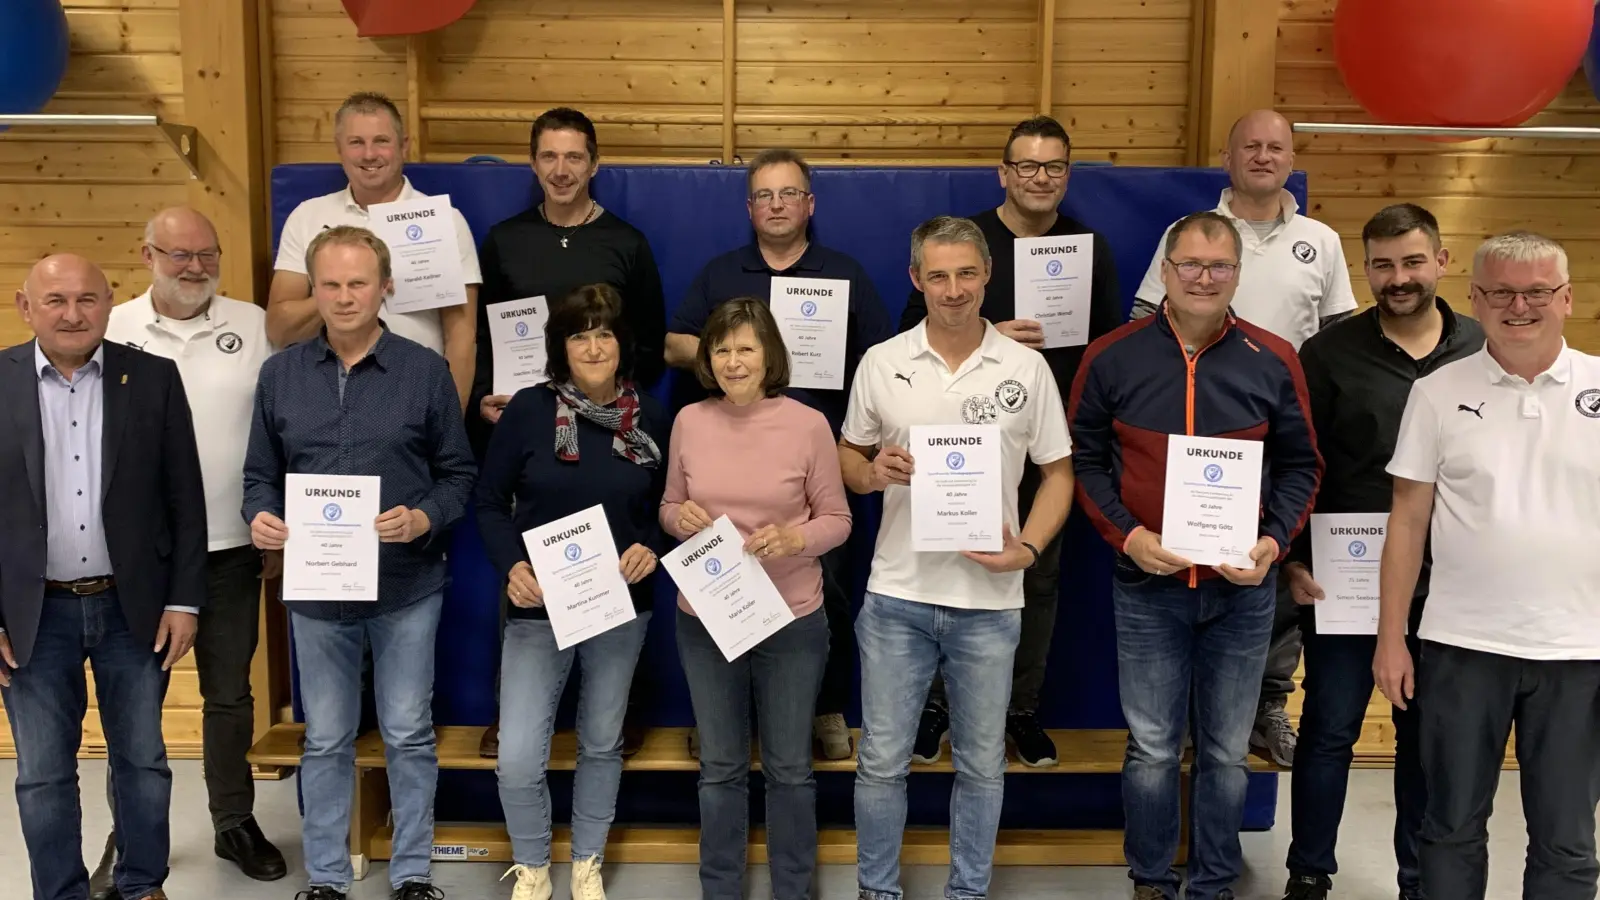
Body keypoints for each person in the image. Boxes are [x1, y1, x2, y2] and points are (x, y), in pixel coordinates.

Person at [1070, 211, 1321, 900]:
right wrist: (1129, 536)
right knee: (1152, 749)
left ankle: (1212, 883)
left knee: (1222, 752)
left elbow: (1302, 464)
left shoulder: (1273, 357)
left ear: (1237, 274)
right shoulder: (1113, 356)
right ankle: (1151, 879)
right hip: (1146, 583)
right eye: (1190, 265)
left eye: (1219, 266)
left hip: (1242, 593)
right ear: (1167, 271)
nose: (1204, 278)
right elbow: (1085, 462)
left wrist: (1273, 544)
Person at [841, 216, 1075, 900]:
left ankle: (967, 892)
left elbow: (1059, 472)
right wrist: (873, 471)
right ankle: (877, 892)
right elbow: (847, 460)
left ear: (987, 277)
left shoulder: (1026, 368)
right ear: (916, 280)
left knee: (980, 767)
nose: (953, 289)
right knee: (882, 763)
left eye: (966, 273)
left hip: (989, 604)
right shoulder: (882, 362)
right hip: (897, 599)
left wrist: (1027, 548)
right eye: (937, 275)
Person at [244, 226, 476, 900]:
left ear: (386, 288)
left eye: (359, 283)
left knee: (407, 732)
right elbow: (259, 477)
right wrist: (259, 517)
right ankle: (324, 877)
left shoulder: (423, 371)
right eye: (331, 284)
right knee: (325, 739)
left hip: (407, 585)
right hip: (317, 594)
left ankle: (410, 874)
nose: (345, 297)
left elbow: (458, 476)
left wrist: (423, 516)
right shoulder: (279, 374)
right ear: (312, 289)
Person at [1376, 231, 1600, 900]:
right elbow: (1407, 521)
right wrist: (1392, 638)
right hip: (1462, 647)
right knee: (1449, 827)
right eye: (1500, 291)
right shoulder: (1439, 392)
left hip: (1580, 650)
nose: (1518, 306)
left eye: (1536, 291)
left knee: (1567, 838)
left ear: (1566, 298)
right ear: (1473, 298)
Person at [1132, 109, 1357, 768]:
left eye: (1275, 147)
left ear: (1291, 157)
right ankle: (1195, 716)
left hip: (1280, 434)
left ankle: (1267, 704)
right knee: (1188, 577)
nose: (1262, 156)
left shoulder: (1322, 239)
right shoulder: (1191, 234)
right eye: (1250, 146)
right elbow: (1145, 319)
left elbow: (1337, 340)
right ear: (1227, 157)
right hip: (1197, 437)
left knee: (1277, 565)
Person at [898, 116, 1120, 768]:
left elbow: (1107, 348)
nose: (1040, 177)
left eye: (1053, 166)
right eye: (1027, 165)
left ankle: (1019, 711)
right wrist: (989, 330)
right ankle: (938, 708)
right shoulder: (964, 240)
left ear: (1067, 175)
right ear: (1004, 173)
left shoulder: (1089, 247)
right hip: (962, 443)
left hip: (1045, 447)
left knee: (1037, 580)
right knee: (951, 573)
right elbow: (913, 326)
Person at [1278, 204, 1481, 900]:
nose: (1399, 278)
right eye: (1385, 264)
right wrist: (1295, 558)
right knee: (1329, 728)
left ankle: (1417, 881)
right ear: (1366, 270)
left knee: (1423, 737)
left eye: (1413, 262)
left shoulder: (1481, 349)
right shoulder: (1328, 353)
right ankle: (1308, 870)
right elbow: (1300, 461)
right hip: (1346, 576)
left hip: (1449, 584)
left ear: (1441, 262)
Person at [663, 147, 892, 760]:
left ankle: (821, 708)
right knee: (719, 585)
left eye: (788, 193)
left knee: (827, 592)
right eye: (764, 195)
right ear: (749, 208)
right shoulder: (721, 272)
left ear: (810, 204)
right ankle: (723, 720)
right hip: (731, 440)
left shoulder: (843, 272)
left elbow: (881, 355)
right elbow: (674, 343)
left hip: (817, 453)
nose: (776, 205)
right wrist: (734, 353)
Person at [1, 253, 207, 900]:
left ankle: (143, 885)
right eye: (55, 300)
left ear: (111, 302)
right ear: (24, 305)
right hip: (29, 616)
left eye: (87, 299)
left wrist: (184, 600)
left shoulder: (151, 378)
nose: (72, 313)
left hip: (133, 607)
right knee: (41, 773)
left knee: (143, 761)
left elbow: (186, 499)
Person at [92, 207, 286, 888]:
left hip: (234, 547)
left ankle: (234, 820)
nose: (195, 268)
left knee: (230, 695)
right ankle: (134, 834)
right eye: (179, 255)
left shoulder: (254, 325)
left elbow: (279, 429)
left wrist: (278, 524)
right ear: (146, 254)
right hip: (139, 557)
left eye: (207, 254)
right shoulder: (110, 329)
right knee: (136, 700)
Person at [469, 106, 669, 760]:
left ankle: (617, 710)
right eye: (549, 157)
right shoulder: (503, 239)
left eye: (574, 157)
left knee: (621, 549)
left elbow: (647, 343)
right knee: (531, 552)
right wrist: (487, 400)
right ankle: (516, 711)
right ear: (533, 164)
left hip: (613, 419)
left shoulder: (628, 243)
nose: (561, 169)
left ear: (594, 164)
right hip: (530, 418)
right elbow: (485, 335)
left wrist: (623, 406)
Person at [476, 284, 670, 900]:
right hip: (538, 607)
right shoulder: (531, 410)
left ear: (622, 344)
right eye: (579, 334)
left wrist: (654, 551)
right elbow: (486, 501)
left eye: (604, 333)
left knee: (601, 742)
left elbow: (672, 508)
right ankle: (533, 864)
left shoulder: (653, 416)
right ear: (561, 346)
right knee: (517, 757)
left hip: (620, 607)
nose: (593, 345)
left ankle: (586, 861)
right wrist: (511, 567)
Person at [660, 298, 852, 900]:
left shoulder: (808, 424)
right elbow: (667, 509)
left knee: (791, 769)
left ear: (770, 354)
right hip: (708, 618)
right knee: (719, 768)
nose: (734, 361)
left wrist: (797, 537)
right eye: (722, 349)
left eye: (746, 348)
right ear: (708, 359)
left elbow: (839, 519)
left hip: (792, 617)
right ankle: (721, 888)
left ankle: (793, 889)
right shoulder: (690, 420)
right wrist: (679, 518)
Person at [268, 90, 481, 410]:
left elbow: (461, 338)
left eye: (381, 141)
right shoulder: (307, 216)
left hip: (413, 398)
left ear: (403, 145)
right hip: (323, 399)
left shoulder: (444, 222)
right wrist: (352, 284)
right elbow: (279, 329)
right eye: (356, 142)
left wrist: (450, 428)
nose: (369, 154)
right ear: (339, 149)